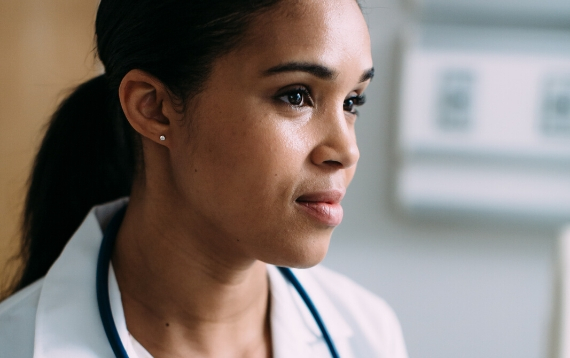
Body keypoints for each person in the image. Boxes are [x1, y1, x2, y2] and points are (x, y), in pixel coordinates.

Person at [0, 0, 408, 357]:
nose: (346, 150)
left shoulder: (370, 334)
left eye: (352, 101)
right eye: (295, 95)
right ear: (154, 108)